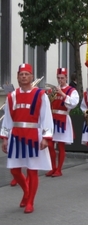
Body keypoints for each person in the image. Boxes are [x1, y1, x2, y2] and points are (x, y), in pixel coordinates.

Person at [0, 63, 53, 213]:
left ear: (31, 76)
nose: (23, 76)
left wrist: (45, 137)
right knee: (15, 171)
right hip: (16, 136)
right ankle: (26, 191)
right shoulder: (12, 96)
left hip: (33, 136)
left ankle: (30, 201)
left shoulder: (41, 95)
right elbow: (8, 119)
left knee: (32, 170)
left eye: (26, 74)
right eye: (21, 74)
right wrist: (5, 138)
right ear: (17, 77)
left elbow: (46, 117)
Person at [45, 68, 79, 177]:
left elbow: (73, 104)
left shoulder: (72, 90)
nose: (60, 80)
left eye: (62, 78)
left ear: (66, 78)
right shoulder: (53, 90)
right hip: (52, 119)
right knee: (50, 145)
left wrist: (63, 94)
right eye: (58, 78)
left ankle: (59, 169)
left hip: (63, 119)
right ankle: (53, 167)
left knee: (61, 145)